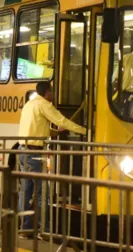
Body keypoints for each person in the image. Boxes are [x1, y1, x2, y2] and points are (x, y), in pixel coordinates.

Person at [17, 81, 86, 240]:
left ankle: (24, 228)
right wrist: (84, 130)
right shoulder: (45, 104)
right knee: (43, 193)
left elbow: (41, 128)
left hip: (23, 150)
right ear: (47, 92)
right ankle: (45, 231)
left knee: (25, 191)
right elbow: (62, 120)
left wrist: (55, 133)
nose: (53, 95)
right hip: (35, 153)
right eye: (52, 92)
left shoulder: (29, 104)